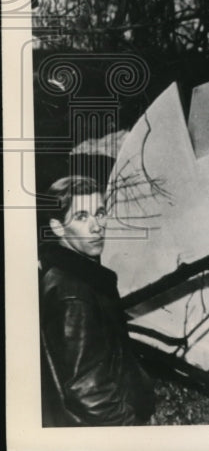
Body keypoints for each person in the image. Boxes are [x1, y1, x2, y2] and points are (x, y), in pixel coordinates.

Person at [38, 175, 155, 426]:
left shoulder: (80, 276)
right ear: (58, 227)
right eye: (82, 217)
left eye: (99, 213)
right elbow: (87, 390)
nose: (96, 226)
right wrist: (132, 430)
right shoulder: (73, 295)